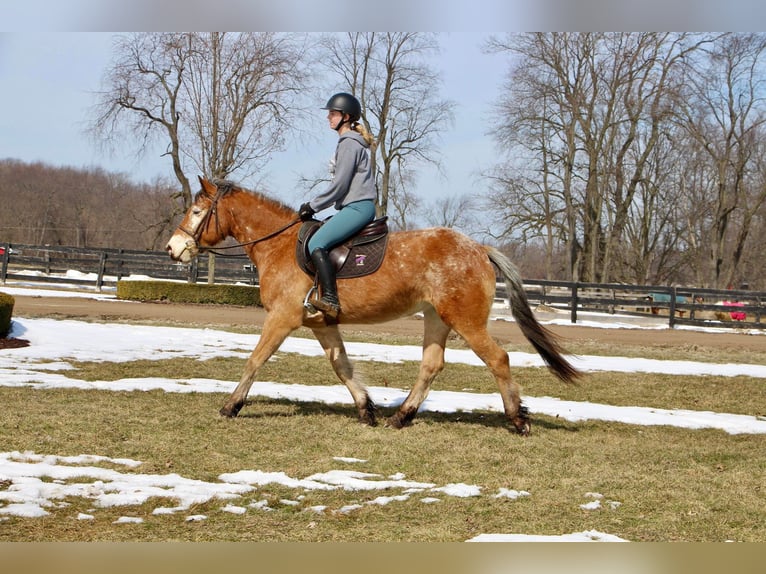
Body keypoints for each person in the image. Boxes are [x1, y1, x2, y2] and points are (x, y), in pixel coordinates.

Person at [298, 92, 377, 318]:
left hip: (358, 207)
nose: (329, 117)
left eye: (333, 113)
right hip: (354, 207)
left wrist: (312, 206)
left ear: (346, 116)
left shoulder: (349, 144)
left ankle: (330, 299)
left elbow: (339, 187)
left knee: (317, 242)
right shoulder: (349, 143)